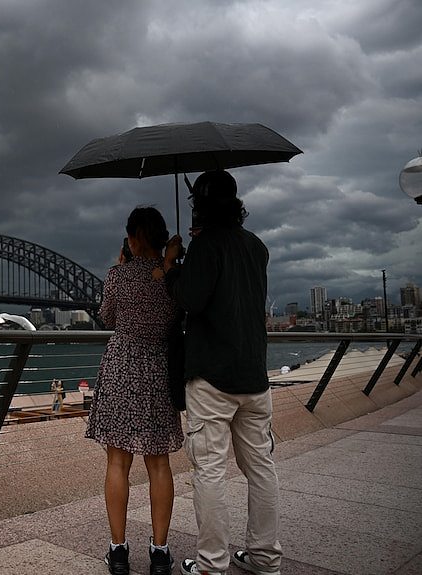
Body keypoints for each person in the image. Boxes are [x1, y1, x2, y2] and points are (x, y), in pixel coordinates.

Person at [161, 170, 282, 575]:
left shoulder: (205, 247)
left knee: (209, 471)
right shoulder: (257, 246)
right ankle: (265, 557)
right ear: (236, 202)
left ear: (199, 206)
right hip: (254, 375)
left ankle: (213, 564)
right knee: (261, 468)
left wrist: (172, 267)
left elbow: (191, 300)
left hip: (212, 377)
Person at [85, 206, 183, 575]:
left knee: (118, 462)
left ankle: (119, 551)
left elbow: (108, 317)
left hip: (122, 368)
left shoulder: (118, 275)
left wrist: (121, 267)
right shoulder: (173, 277)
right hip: (159, 370)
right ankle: (160, 553)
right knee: (159, 464)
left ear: (133, 238)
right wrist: (169, 263)